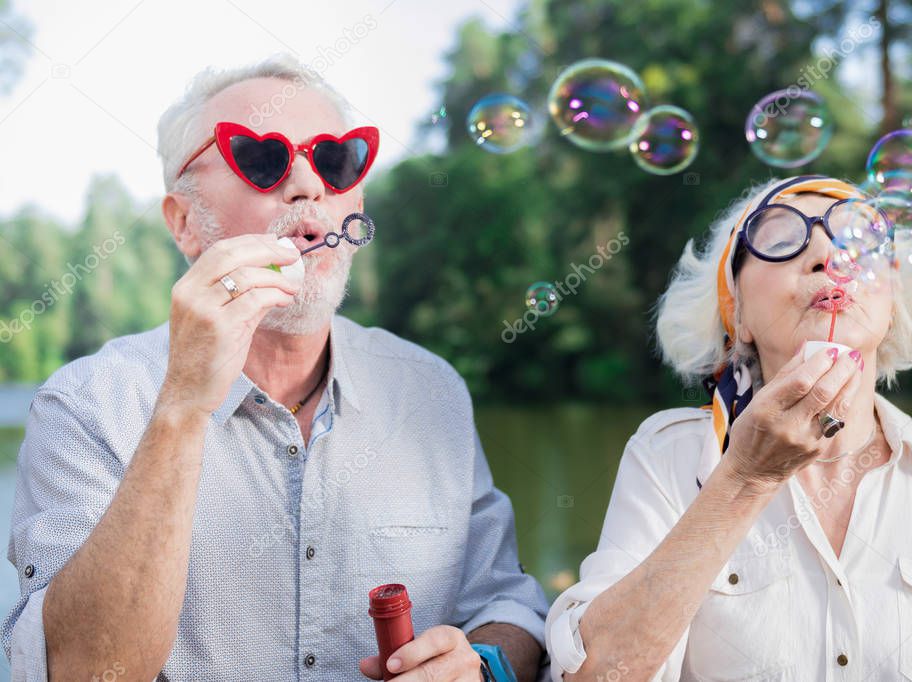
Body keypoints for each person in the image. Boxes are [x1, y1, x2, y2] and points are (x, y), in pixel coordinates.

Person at [3, 54, 548, 682]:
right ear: (184, 222)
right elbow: (82, 670)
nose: (309, 185)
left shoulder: (431, 389)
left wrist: (481, 665)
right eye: (261, 159)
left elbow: (506, 604)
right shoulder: (86, 403)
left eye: (335, 158)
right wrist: (181, 407)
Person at [545, 175, 912, 681]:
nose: (828, 258)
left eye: (857, 239)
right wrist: (745, 479)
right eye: (779, 242)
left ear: (892, 307)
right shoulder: (671, 459)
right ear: (738, 314)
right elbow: (594, 674)